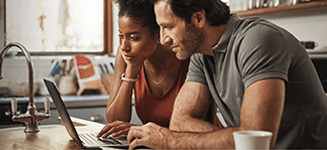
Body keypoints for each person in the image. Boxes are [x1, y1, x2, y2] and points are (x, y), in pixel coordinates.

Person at [126, 0, 327, 149]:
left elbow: (254, 141)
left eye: (168, 27)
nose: (163, 40)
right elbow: (180, 122)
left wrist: (169, 141)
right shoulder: (201, 54)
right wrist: (234, 139)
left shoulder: (257, 40)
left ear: (198, 18)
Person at [96, 0, 206, 139]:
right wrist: (131, 72)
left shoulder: (187, 55)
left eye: (134, 38)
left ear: (157, 34)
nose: (124, 46)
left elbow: (198, 125)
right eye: (121, 36)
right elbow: (114, 122)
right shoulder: (126, 55)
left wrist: (141, 129)